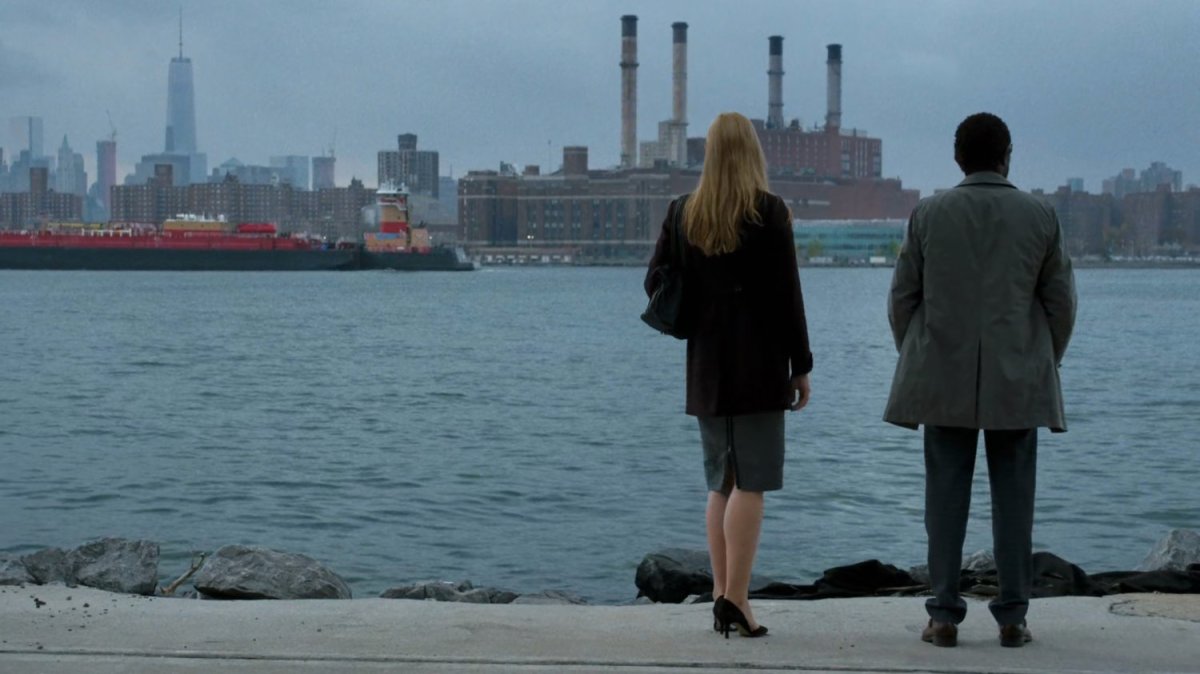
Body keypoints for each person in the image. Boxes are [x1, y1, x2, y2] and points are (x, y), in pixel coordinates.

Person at [884, 112, 1076, 648]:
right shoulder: (1040, 214)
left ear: (958, 158)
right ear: (1007, 156)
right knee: (1015, 501)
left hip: (941, 374)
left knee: (944, 500)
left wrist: (918, 357)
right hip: (1018, 378)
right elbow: (1061, 303)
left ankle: (944, 616)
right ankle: (1012, 618)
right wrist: (1044, 361)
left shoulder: (928, 213)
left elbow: (902, 298)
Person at [645, 111, 813, 638]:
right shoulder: (770, 211)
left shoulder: (683, 212)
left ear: (711, 154)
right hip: (760, 362)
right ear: (752, 152)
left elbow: (654, 281)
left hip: (707, 364)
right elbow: (788, 296)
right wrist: (802, 366)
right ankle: (737, 600)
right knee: (753, 482)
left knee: (721, 482)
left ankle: (722, 595)